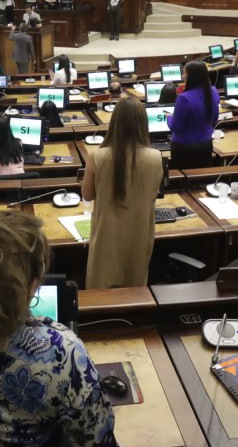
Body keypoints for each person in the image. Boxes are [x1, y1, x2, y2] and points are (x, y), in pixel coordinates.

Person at [81, 97, 163, 288]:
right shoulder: (156, 157)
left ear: (114, 123)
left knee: (101, 291)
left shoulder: (97, 156)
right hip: (139, 232)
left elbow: (87, 195)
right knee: (134, 288)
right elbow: (152, 195)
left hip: (107, 234)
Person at [168, 60, 218, 170]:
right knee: (201, 176)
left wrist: (169, 118)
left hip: (184, 148)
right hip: (206, 144)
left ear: (191, 76)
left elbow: (176, 127)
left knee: (182, 178)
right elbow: (214, 118)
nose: (183, 75)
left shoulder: (183, 98)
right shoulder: (213, 91)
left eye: (184, 73)